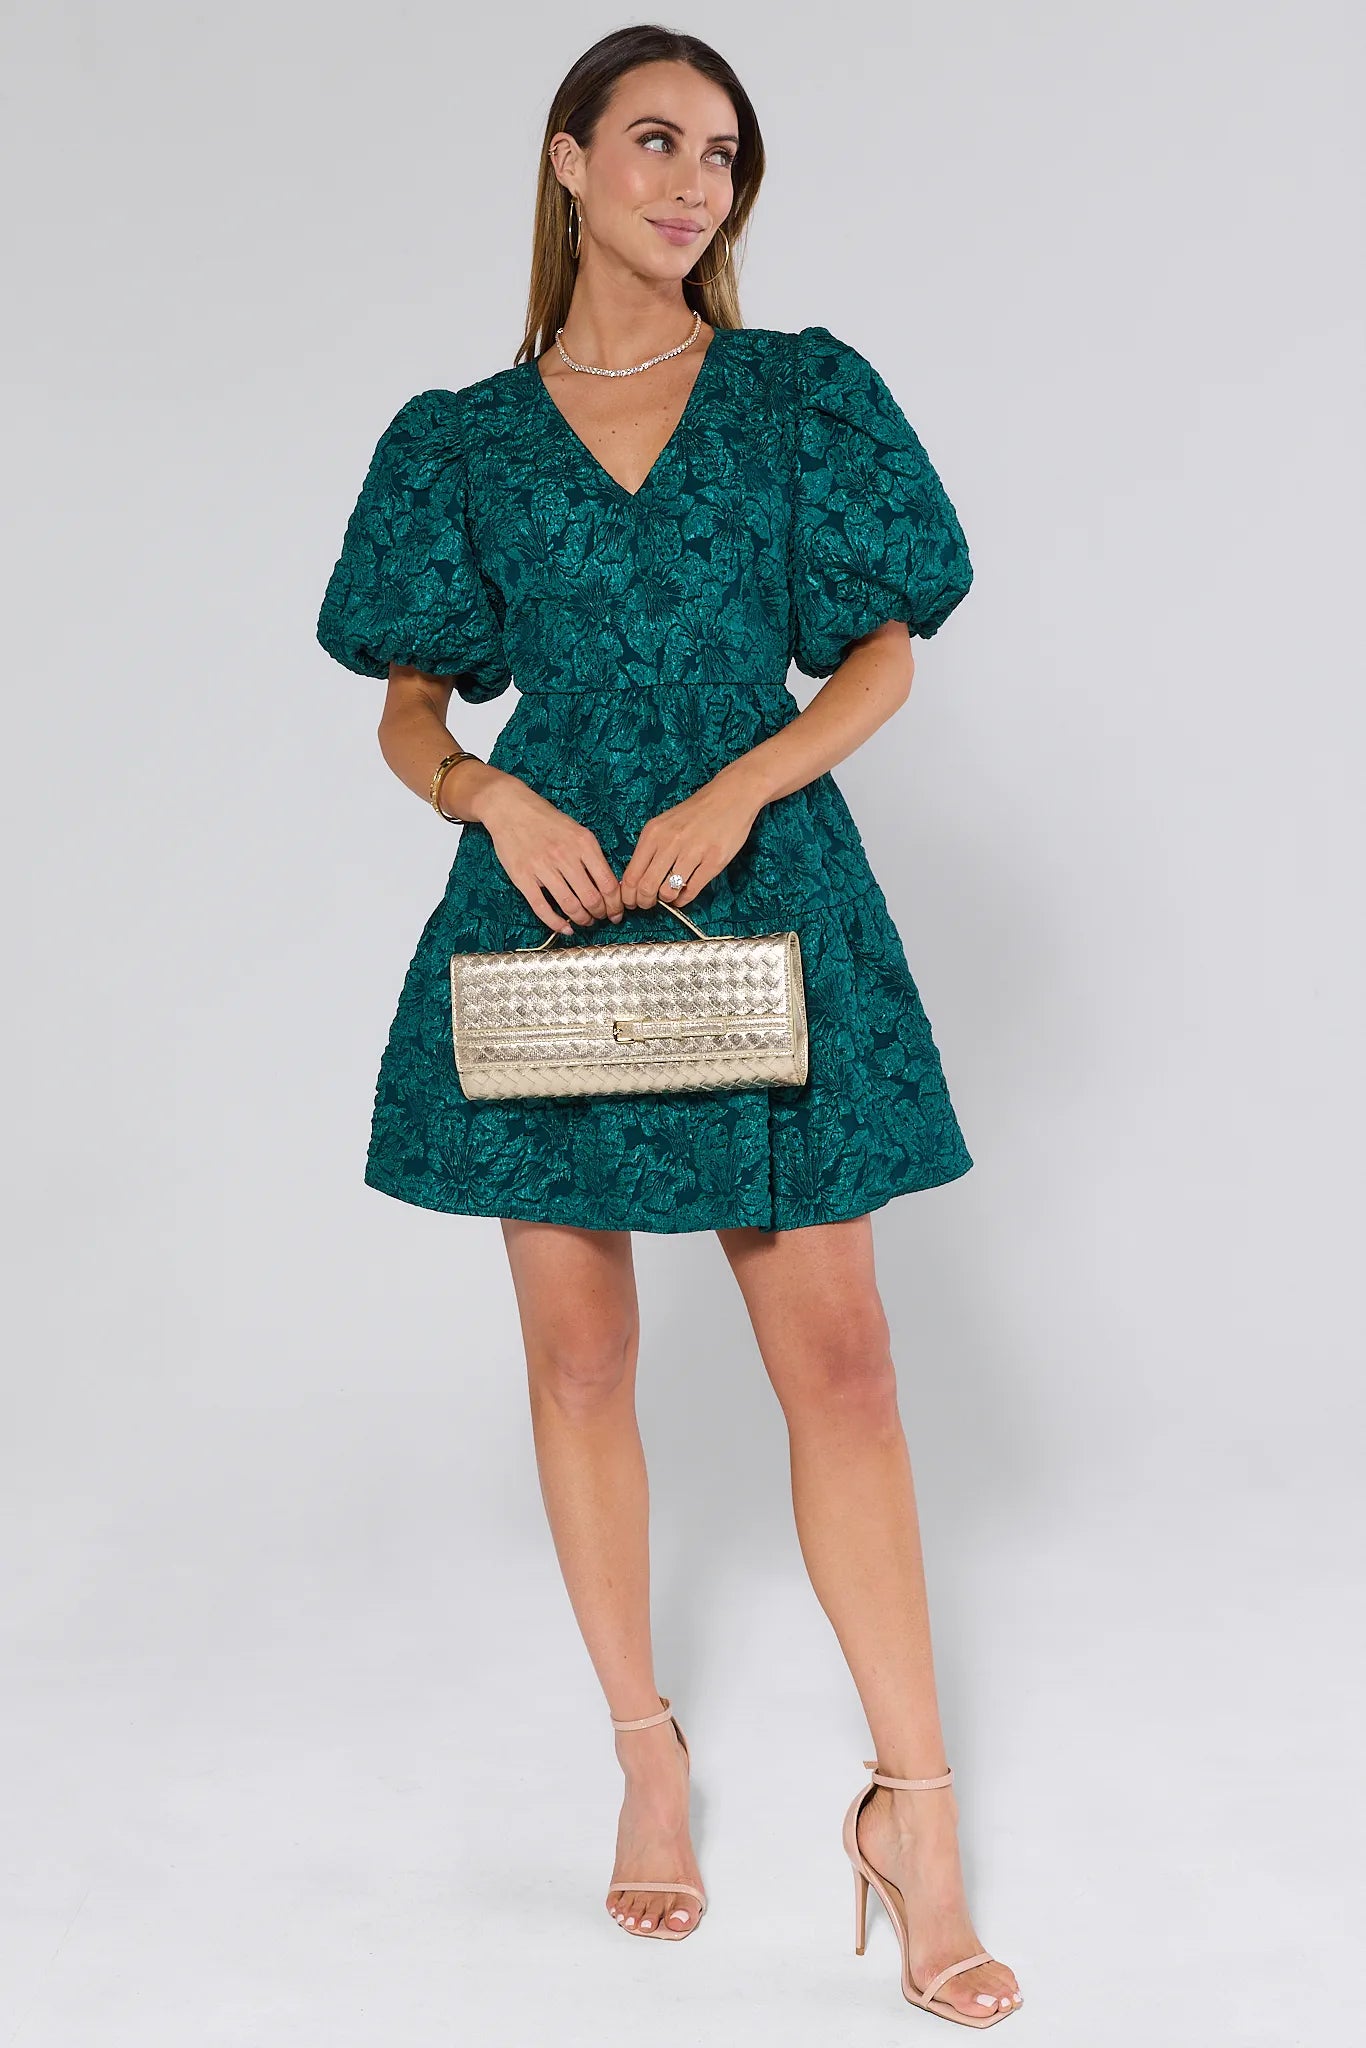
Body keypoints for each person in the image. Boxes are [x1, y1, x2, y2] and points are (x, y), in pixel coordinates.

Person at [315, 23, 1021, 2028]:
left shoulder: (799, 398)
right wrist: (490, 793)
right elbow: (403, 702)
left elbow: (882, 647)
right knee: (579, 1354)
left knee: (848, 1371)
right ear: (563, 162)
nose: (690, 180)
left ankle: (915, 1810)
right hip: (546, 921)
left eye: (720, 153)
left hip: (766, 898)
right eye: (650, 140)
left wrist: (746, 782)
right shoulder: (455, 440)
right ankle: (643, 1743)